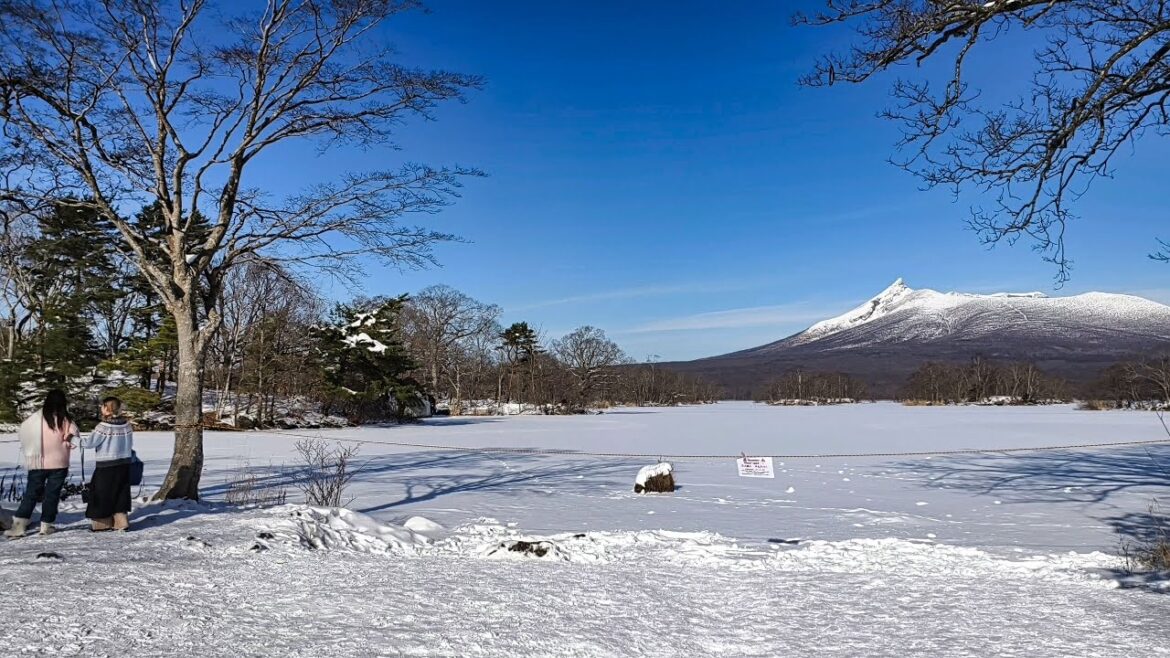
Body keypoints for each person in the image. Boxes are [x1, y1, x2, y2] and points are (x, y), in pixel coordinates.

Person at [4, 389, 79, 538]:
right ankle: (47, 525)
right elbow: (73, 433)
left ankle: (19, 527)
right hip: (59, 462)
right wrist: (66, 442)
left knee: (31, 494)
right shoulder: (65, 419)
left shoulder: (36, 418)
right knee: (52, 494)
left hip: (37, 461)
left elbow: (23, 430)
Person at [80, 396, 134, 532]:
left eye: (103, 406)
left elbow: (89, 443)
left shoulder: (103, 427)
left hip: (106, 464)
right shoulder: (126, 425)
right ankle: (121, 521)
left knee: (101, 493)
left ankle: (101, 523)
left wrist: (73, 439)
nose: (101, 408)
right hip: (124, 463)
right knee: (120, 492)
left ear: (108, 409)